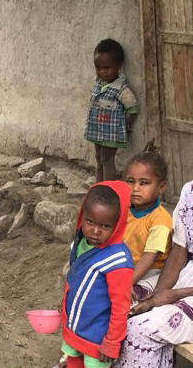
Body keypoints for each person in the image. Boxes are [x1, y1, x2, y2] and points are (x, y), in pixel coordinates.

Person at [115, 180, 193, 367]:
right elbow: (179, 251)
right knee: (117, 302)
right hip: (185, 274)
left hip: (187, 290)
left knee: (139, 329)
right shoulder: (190, 191)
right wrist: (158, 294)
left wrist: (175, 294)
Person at [59, 181, 134, 368]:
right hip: (76, 327)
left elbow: (120, 305)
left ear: (117, 226)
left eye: (105, 226)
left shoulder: (118, 261)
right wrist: (64, 308)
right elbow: (74, 281)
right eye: (90, 222)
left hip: (97, 337)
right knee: (73, 361)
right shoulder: (80, 244)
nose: (95, 231)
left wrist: (112, 341)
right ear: (82, 217)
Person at [84, 39, 138, 182]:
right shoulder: (98, 84)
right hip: (97, 129)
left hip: (111, 132)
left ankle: (107, 189)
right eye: (98, 67)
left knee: (107, 160)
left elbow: (132, 107)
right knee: (98, 158)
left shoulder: (121, 89)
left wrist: (127, 124)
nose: (102, 72)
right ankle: (99, 186)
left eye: (107, 68)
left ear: (119, 66)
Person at [123, 151, 172, 286]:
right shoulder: (124, 209)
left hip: (150, 273)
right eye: (131, 181)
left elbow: (149, 258)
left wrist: (127, 284)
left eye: (144, 183)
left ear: (161, 187)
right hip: (124, 267)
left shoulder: (160, 220)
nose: (136, 188)